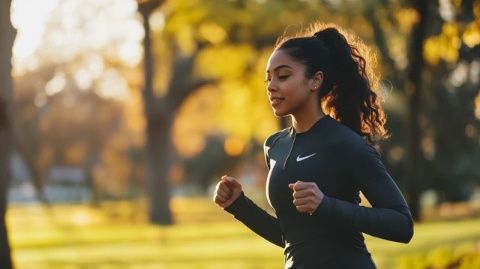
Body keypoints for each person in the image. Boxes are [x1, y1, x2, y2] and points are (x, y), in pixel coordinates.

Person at [213, 22, 414, 269]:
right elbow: (294, 239)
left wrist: (326, 205)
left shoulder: (345, 143)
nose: (271, 86)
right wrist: (238, 205)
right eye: (268, 79)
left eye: (283, 76)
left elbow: (402, 225)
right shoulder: (274, 146)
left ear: (315, 81)